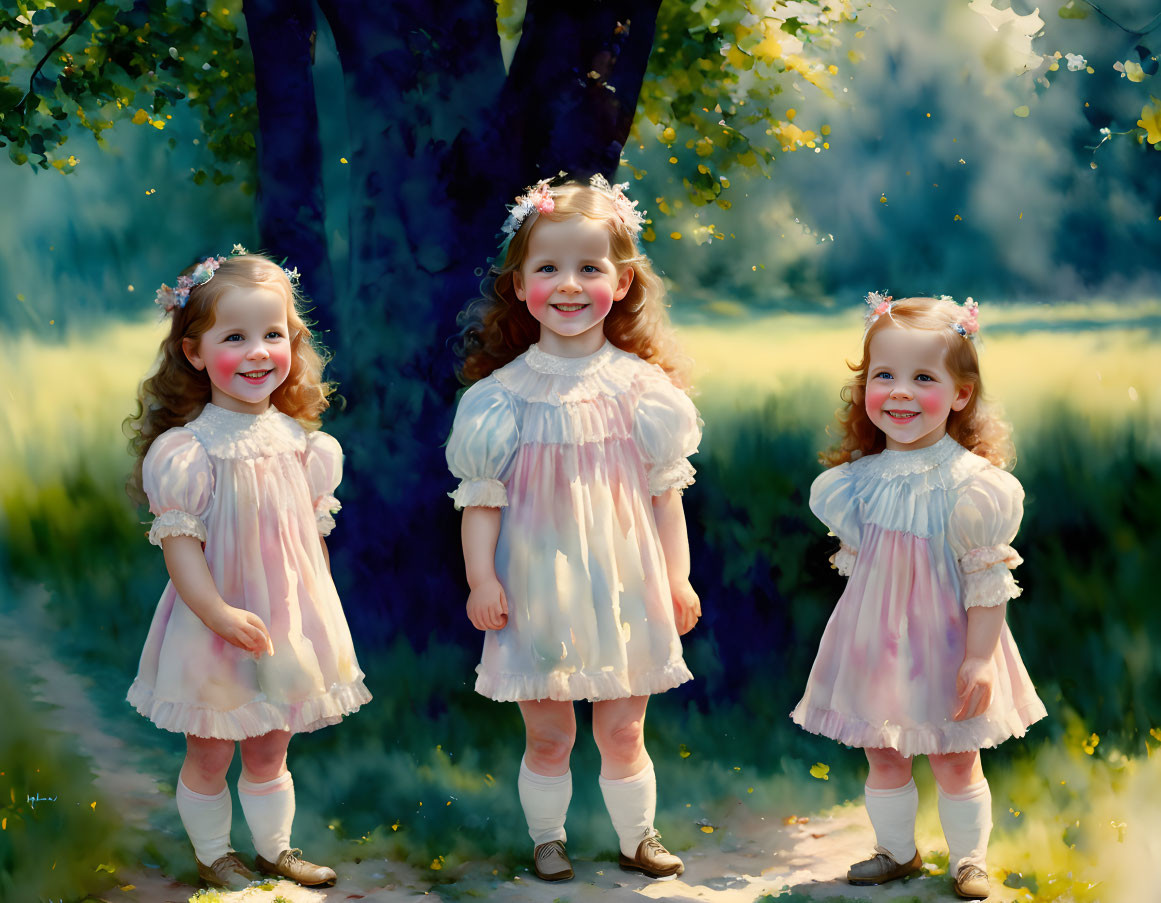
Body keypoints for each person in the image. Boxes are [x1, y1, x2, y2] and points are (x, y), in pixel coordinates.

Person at [446, 175, 702, 882]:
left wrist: (676, 577)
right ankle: (548, 838)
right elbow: (481, 500)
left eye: (588, 268)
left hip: (624, 577)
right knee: (551, 731)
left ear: (620, 283)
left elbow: (663, 496)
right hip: (537, 580)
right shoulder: (498, 398)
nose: (567, 285)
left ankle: (638, 836)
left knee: (622, 729)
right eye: (548, 268)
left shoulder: (644, 391)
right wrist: (482, 577)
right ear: (520, 282)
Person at [125, 250, 370, 890]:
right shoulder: (188, 452)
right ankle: (214, 854)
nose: (259, 352)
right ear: (195, 352)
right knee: (212, 746)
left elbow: (305, 549)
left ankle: (275, 848)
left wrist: (315, 615)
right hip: (215, 616)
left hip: (283, 616)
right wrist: (217, 613)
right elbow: (181, 550)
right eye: (236, 337)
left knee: (271, 743)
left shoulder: (306, 447)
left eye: (273, 335)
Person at [792, 294, 1047, 900]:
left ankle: (968, 861)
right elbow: (865, 572)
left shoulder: (975, 489)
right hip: (877, 638)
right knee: (884, 752)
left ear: (960, 394)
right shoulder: (852, 486)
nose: (900, 393)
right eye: (885, 376)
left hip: (949, 639)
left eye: (922, 378)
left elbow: (986, 583)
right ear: (865, 387)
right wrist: (863, 638)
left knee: (956, 757)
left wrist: (980, 658)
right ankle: (896, 852)